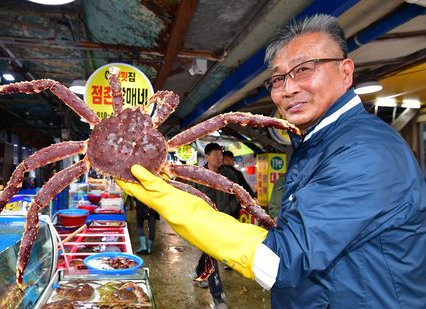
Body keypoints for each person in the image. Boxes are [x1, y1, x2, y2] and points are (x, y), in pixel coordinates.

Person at [116, 14, 426, 308]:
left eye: (305, 68)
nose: (288, 88)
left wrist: (173, 202)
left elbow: (281, 260)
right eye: (278, 79)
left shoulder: (367, 153)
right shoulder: (316, 145)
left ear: (345, 71)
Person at [191, 143, 237, 309]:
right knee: (212, 254)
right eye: (215, 154)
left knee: (209, 251)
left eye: (220, 154)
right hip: (205, 223)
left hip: (223, 220)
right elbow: (191, 197)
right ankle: (218, 296)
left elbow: (236, 194)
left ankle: (198, 271)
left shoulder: (229, 174)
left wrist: (230, 209)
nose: (219, 157)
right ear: (207, 156)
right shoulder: (198, 175)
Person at [222, 150, 255, 219]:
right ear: (222, 160)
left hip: (234, 207)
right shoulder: (217, 172)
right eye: (226, 159)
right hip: (222, 205)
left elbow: (245, 186)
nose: (229, 161)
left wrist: (252, 196)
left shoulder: (237, 173)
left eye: (231, 159)